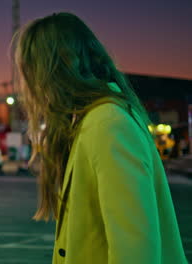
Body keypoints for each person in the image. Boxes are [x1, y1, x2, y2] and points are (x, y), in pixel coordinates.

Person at [13, 13, 188, 264]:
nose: (29, 88)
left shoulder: (108, 125)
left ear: (51, 72)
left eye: (30, 75)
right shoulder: (94, 120)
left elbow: (134, 249)